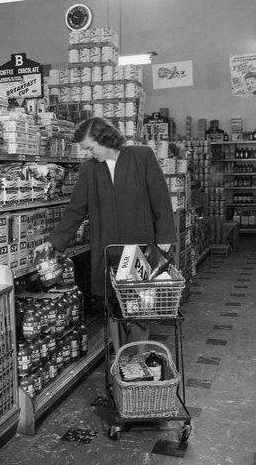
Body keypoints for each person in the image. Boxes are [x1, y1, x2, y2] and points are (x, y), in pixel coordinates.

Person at [35, 117, 177, 352]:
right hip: (107, 250)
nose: (88, 153)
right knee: (112, 306)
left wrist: (164, 238)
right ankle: (121, 358)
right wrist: (53, 242)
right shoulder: (90, 169)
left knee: (138, 306)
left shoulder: (142, 157)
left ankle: (139, 358)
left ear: (105, 139)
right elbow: (75, 210)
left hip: (139, 249)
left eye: (90, 147)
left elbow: (161, 199)